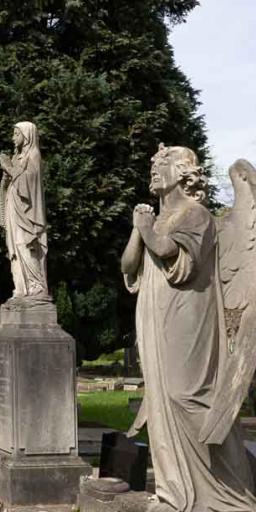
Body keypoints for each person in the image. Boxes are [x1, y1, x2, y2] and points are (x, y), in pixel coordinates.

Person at [121, 145, 256, 511]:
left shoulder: (196, 215)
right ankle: (175, 490)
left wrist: (147, 228)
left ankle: (235, 487)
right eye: (152, 164)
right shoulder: (155, 217)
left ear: (183, 173)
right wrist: (138, 230)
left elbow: (171, 253)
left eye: (161, 164)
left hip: (188, 314)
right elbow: (128, 264)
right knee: (162, 399)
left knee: (188, 396)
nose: (153, 168)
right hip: (153, 314)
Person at [0, 121, 48, 299]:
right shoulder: (16, 157)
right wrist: (6, 177)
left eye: (16, 134)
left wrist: (9, 168)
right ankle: (20, 288)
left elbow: (30, 183)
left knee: (25, 246)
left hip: (26, 211)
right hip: (13, 207)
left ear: (27, 135)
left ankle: (37, 286)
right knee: (13, 250)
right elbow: (11, 181)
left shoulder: (33, 154)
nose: (13, 138)